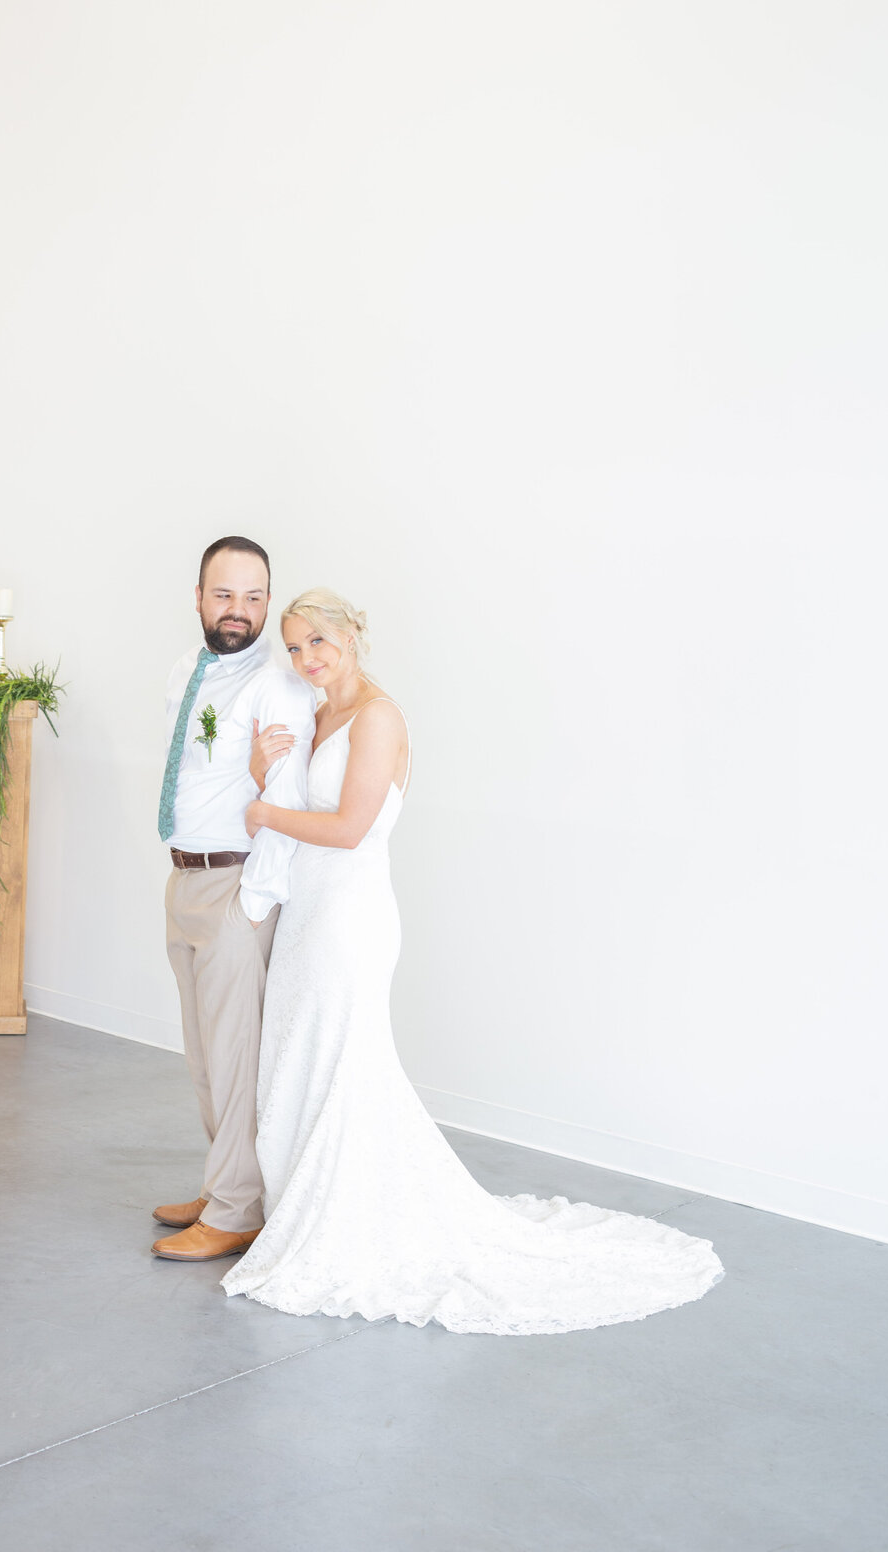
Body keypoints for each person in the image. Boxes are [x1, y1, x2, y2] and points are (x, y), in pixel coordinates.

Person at [221, 588, 724, 1334]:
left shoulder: (379, 717)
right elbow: (303, 815)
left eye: (317, 642)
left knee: (342, 1062)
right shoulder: (318, 712)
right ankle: (304, 1209)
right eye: (294, 648)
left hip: (348, 917)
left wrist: (261, 812)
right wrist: (267, 780)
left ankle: (345, 1222)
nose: (306, 659)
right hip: (306, 913)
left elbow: (352, 827)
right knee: (302, 1057)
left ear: (354, 634)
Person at [151, 537, 316, 1263]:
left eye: (254, 598)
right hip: (184, 878)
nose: (239, 612)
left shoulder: (274, 689)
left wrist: (251, 906)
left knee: (234, 1055)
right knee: (204, 1057)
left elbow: (285, 803)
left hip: (232, 887)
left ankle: (236, 1210)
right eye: (225, 595)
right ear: (197, 596)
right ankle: (223, 1184)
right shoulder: (188, 670)